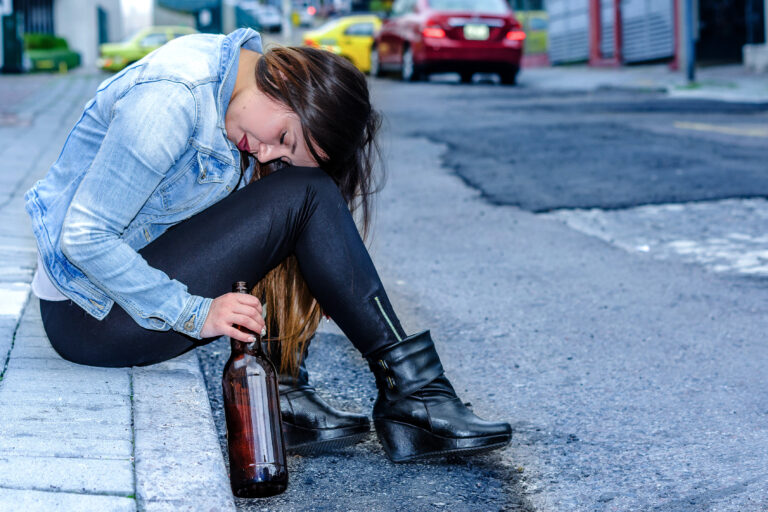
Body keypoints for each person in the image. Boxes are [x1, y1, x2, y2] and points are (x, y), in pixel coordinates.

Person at [25, 27, 512, 463]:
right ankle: (415, 396)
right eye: (282, 136)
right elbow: (85, 237)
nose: (266, 150)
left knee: (299, 189)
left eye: (283, 148)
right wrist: (196, 314)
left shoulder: (237, 82)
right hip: (90, 316)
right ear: (283, 80)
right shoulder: (174, 98)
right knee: (305, 193)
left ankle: (286, 389)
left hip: (115, 302)